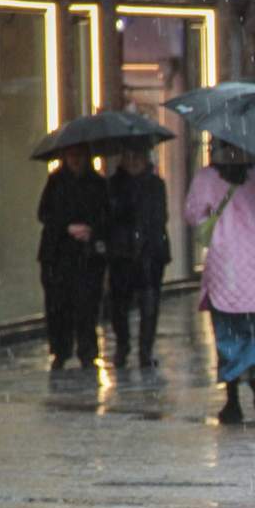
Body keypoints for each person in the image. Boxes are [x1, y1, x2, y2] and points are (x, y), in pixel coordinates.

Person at [182, 143, 255, 424]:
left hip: (226, 263)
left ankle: (233, 401)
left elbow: (193, 215)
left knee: (226, 332)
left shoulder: (207, 177)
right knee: (251, 328)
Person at [37, 144, 109, 370]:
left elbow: (107, 216)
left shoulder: (98, 183)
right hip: (58, 254)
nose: (75, 160)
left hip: (86, 256)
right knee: (58, 305)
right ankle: (60, 349)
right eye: (71, 156)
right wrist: (66, 227)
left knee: (87, 305)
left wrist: (91, 230)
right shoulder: (55, 182)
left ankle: (87, 351)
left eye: (79, 156)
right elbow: (44, 213)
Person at [106, 144, 171, 369]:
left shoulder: (155, 185)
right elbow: (109, 217)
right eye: (129, 156)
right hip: (121, 254)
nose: (133, 161)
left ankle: (146, 350)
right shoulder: (113, 185)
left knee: (149, 304)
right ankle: (123, 346)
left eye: (138, 156)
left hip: (150, 254)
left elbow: (160, 216)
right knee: (119, 305)